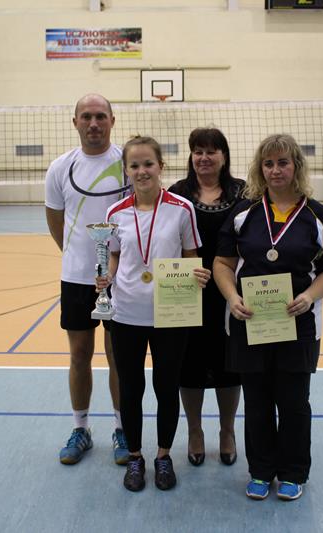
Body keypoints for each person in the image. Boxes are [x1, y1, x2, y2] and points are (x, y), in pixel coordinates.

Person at [213, 134, 323, 502]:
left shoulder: (316, 214)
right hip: (249, 323)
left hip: (298, 325)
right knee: (256, 402)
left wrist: (309, 296)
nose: (275, 170)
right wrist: (232, 297)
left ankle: (292, 472)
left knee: (293, 403)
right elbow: (222, 263)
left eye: (283, 162)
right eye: (268, 163)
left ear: (296, 166)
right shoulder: (245, 212)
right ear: (260, 169)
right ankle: (260, 470)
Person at [97, 136, 211, 492]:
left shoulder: (182, 209)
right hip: (127, 314)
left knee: (166, 387)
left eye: (148, 163)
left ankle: (163, 456)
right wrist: (107, 276)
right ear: (126, 171)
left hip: (170, 315)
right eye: (134, 165)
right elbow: (114, 255)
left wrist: (199, 274)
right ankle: (135, 456)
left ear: (161, 166)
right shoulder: (115, 214)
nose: (142, 171)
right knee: (131, 388)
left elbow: (191, 256)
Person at [44, 94, 130, 466]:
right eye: (86, 117)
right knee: (79, 355)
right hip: (77, 279)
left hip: (121, 278)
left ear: (112, 120)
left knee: (118, 357)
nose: (93, 123)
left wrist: (115, 266)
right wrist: (79, 259)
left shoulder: (128, 164)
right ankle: (81, 428)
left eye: (100, 116)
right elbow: (55, 220)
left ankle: (122, 428)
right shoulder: (60, 168)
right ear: (75, 122)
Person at [168, 128, 246, 467]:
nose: (204, 157)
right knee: (190, 365)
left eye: (211, 151)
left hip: (231, 293)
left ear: (224, 156)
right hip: (187, 293)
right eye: (198, 151)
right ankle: (195, 431)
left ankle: (227, 431)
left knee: (230, 364)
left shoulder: (244, 192)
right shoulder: (177, 193)